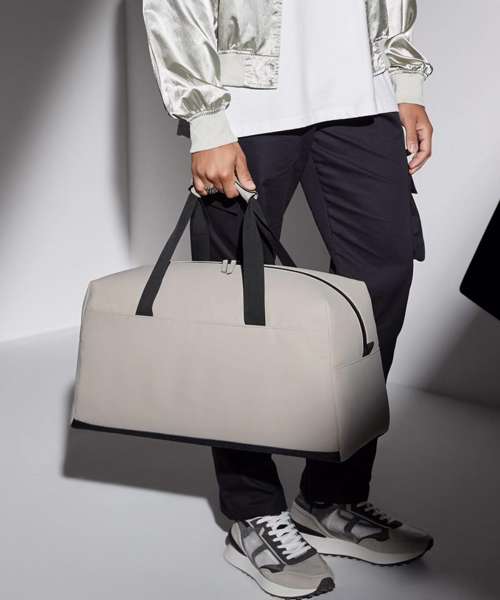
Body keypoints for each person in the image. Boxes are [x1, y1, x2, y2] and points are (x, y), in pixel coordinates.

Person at [142, 1, 434, 597]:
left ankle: (330, 497)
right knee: (235, 306)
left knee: (380, 285)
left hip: (362, 96)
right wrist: (205, 118)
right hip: (247, 104)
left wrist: (404, 80)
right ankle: (253, 511)